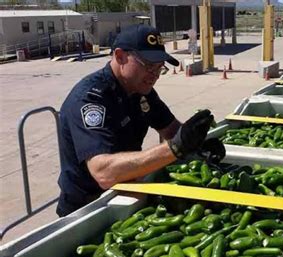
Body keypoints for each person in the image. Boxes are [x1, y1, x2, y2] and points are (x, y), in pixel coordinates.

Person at [56, 24, 224, 217]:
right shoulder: (91, 99)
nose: (155, 76)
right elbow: (103, 172)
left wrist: (198, 142)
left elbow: (171, 130)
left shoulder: (140, 90)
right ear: (120, 57)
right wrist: (174, 148)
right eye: (149, 66)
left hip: (124, 198)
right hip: (87, 209)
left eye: (160, 68)